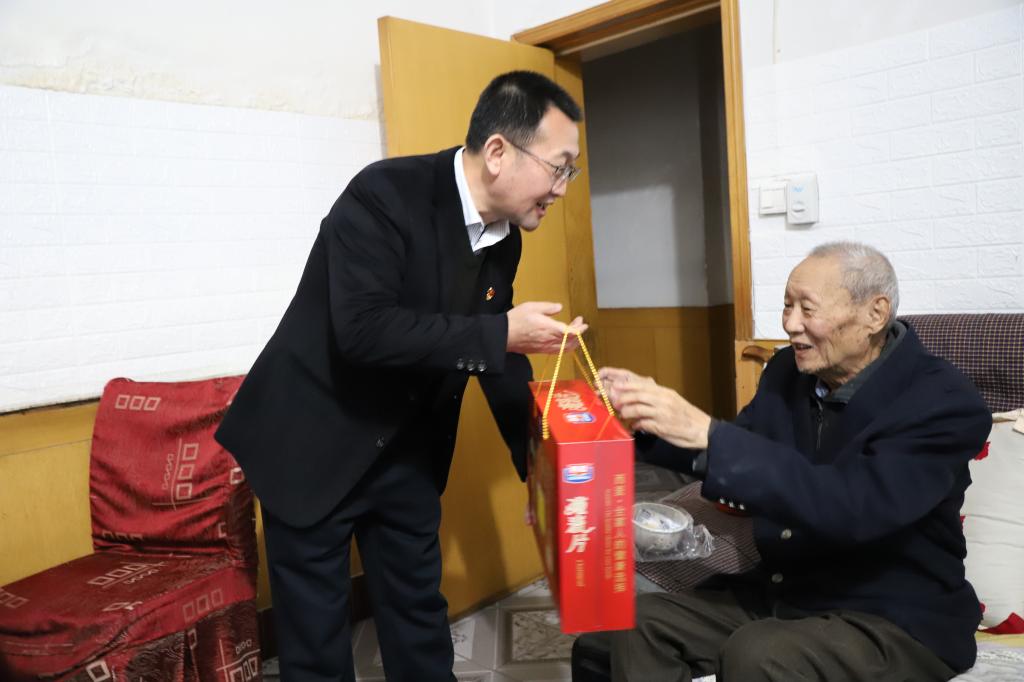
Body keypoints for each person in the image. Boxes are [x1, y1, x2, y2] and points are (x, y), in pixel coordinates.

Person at [216, 70, 587, 682]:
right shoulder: (383, 195)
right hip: (311, 440)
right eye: (559, 167)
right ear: (499, 152)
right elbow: (364, 330)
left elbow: (494, 355)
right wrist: (500, 334)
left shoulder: (504, 241)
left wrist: (540, 464)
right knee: (316, 646)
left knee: (418, 619)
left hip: (405, 448)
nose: (562, 188)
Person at [572, 241, 990, 682]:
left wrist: (710, 434)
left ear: (875, 313)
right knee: (635, 627)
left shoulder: (942, 400)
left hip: (894, 614)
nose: (790, 324)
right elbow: (738, 455)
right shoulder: (787, 371)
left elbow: (856, 506)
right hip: (788, 593)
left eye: (807, 309)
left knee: (758, 653)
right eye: (787, 306)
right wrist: (641, 422)